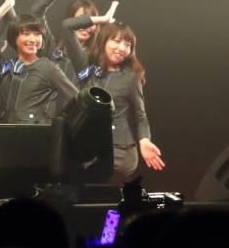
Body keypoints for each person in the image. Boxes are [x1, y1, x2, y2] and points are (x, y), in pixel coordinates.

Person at [63, 17, 164, 181]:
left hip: (118, 153)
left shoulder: (130, 77)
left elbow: (141, 116)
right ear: (103, 41)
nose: (122, 48)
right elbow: (67, 26)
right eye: (117, 41)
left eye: (128, 45)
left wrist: (144, 140)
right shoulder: (86, 67)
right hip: (86, 149)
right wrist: (101, 19)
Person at [0, 0, 80, 124]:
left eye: (37, 34)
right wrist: (6, 6)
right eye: (26, 34)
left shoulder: (49, 69)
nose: (33, 39)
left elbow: (78, 100)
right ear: (14, 38)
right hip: (1, 133)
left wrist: (60, 126)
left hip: (33, 134)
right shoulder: (5, 67)